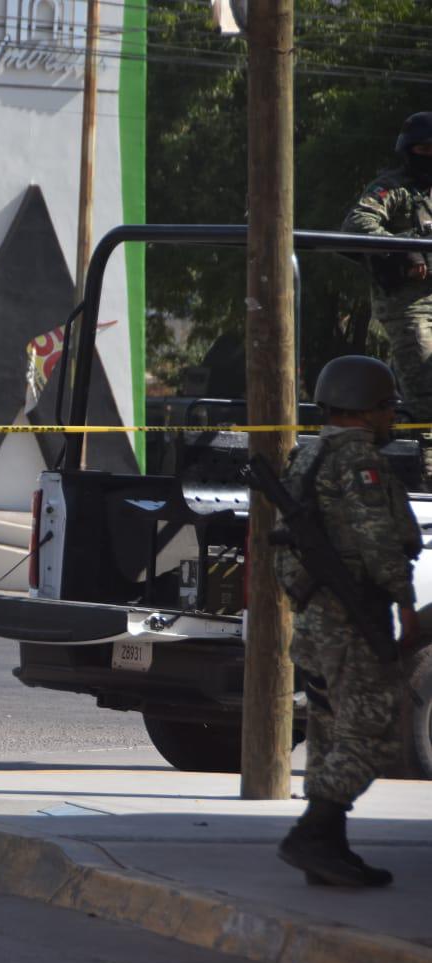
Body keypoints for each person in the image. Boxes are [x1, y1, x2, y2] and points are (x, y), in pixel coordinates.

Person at [275, 355, 421, 888]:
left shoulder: (307, 455)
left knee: (330, 730)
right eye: (387, 409)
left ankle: (329, 849)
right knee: (375, 731)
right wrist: (404, 603)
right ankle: (313, 833)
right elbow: (377, 539)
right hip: (352, 615)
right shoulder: (360, 460)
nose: (392, 419)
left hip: (317, 616)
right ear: (366, 410)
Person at [342, 111, 432, 481]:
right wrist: (407, 250)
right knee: (428, 398)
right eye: (424, 149)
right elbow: (357, 224)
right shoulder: (393, 188)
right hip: (409, 307)